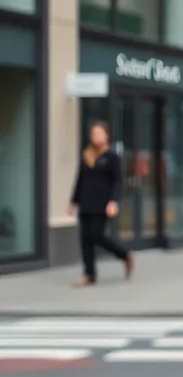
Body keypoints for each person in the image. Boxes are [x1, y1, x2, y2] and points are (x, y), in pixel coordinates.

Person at [68, 121, 132, 286]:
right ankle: (89, 274)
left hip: (102, 204)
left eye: (98, 133)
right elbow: (80, 179)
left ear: (106, 136)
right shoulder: (87, 155)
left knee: (96, 235)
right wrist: (73, 202)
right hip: (85, 202)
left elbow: (118, 182)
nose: (94, 136)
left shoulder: (112, 158)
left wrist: (113, 201)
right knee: (85, 239)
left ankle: (124, 255)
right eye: (93, 133)